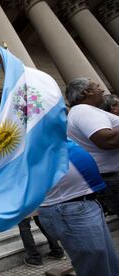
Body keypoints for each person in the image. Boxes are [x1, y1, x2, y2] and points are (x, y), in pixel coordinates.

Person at [38, 139, 119, 275]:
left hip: (83, 203)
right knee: (95, 268)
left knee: (108, 263)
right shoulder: (33, 135)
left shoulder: (53, 130)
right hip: (69, 208)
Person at [65, 78, 119, 216]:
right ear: (86, 92)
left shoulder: (83, 111)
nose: (102, 90)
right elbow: (107, 141)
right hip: (113, 177)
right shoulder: (84, 111)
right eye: (97, 86)